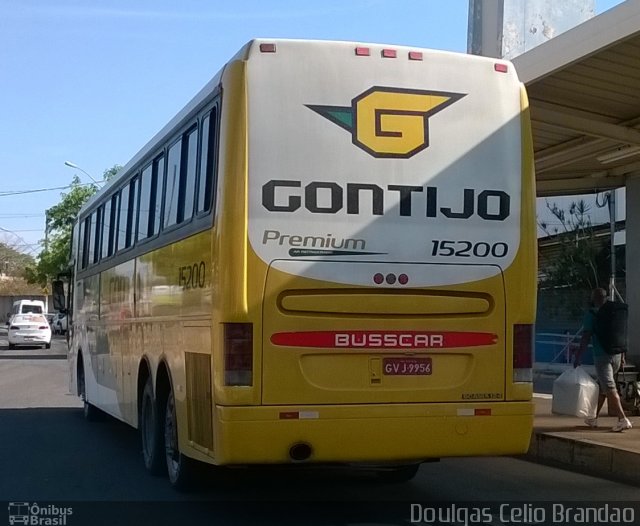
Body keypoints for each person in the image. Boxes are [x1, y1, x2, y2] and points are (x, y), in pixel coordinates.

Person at [573, 287, 632, 432]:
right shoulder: (615, 311)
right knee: (602, 387)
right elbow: (621, 333)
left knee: (610, 388)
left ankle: (622, 419)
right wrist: (623, 356)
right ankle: (593, 417)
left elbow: (586, 336)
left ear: (594, 299)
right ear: (605, 297)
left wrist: (578, 356)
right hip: (617, 355)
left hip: (602, 356)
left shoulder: (592, 314)